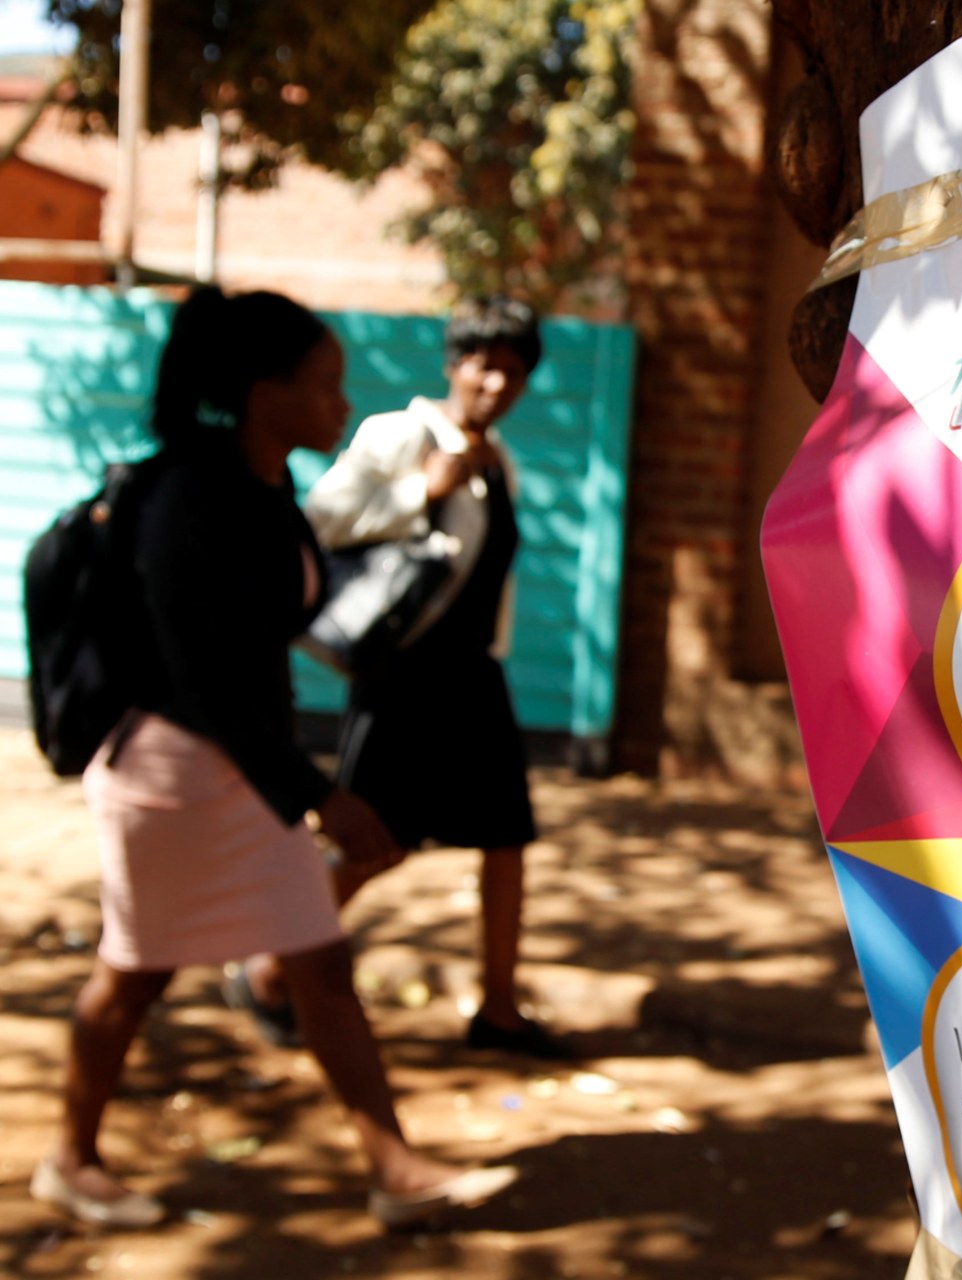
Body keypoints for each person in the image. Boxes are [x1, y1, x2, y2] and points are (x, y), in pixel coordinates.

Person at [32, 287, 516, 1230]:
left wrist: (296, 783)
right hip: (172, 776)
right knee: (135, 971)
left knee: (320, 965)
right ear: (265, 391)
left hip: (242, 770)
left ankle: (395, 1170)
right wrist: (315, 795)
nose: (343, 405)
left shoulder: (262, 489)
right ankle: (69, 1159)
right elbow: (201, 678)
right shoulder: (187, 496)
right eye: (325, 385)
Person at [268, 295, 564, 1059]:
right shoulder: (401, 434)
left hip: (474, 678)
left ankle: (498, 1007)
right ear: (453, 366)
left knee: (506, 840)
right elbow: (324, 518)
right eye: (483, 366)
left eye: (514, 371)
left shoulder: (505, 462)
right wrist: (418, 494)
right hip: (405, 678)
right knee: (373, 842)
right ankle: (268, 973)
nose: (497, 384)